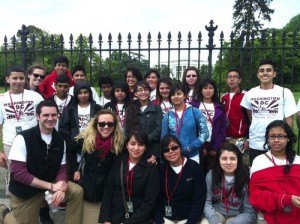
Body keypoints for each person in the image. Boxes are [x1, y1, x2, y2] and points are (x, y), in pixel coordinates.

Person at [7, 100, 83, 224]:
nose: (50, 118)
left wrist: (61, 187)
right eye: (46, 115)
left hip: (50, 183)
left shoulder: (60, 139)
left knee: (77, 192)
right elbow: (19, 173)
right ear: (37, 116)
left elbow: (62, 168)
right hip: (26, 191)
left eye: (54, 115)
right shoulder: (23, 138)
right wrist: (52, 186)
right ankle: (4, 213)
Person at [240, 59, 297, 165]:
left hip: (277, 142)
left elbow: (289, 119)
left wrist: (285, 138)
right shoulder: (250, 93)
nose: (265, 73)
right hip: (256, 142)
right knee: (257, 173)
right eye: (261, 71)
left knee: (277, 175)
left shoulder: (284, 92)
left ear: (274, 74)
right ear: (258, 74)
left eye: (268, 70)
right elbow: (250, 117)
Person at [73, 109, 124, 224]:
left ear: (115, 125)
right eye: (102, 124)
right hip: (87, 192)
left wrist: (150, 158)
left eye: (110, 124)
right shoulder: (85, 140)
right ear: (96, 124)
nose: (106, 127)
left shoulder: (120, 143)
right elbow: (69, 151)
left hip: (108, 195)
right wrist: (74, 169)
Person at [99, 131, 160, 224]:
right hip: (115, 217)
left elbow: (149, 201)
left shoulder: (151, 167)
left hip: (139, 219)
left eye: (140, 145)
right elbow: (108, 192)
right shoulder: (117, 163)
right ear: (127, 145)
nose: (136, 148)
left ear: (146, 147)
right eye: (132, 144)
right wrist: (106, 220)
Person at [0, 66, 44, 195]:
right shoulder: (2, 99)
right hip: (10, 143)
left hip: (33, 141)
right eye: (15, 78)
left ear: (25, 79)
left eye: (21, 78)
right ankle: (14, 208)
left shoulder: (35, 97)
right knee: (13, 174)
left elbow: (45, 117)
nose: (18, 81)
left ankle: (39, 207)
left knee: (35, 172)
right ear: (7, 79)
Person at [250, 120, 300, 224]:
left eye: (281, 136)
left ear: (288, 138)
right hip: (269, 215)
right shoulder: (259, 161)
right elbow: (255, 195)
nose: (276, 140)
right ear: (267, 139)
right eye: (272, 136)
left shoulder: (298, 161)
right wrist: (286, 199)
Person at [153, 135, 206, 224]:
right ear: (163, 154)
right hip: (165, 219)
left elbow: (199, 199)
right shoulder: (160, 170)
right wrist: (160, 220)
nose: (171, 152)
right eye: (166, 150)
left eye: (174, 148)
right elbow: (154, 198)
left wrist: (191, 221)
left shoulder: (194, 167)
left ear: (180, 148)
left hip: (188, 219)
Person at [201, 142, 257, 224]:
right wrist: (214, 220)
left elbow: (249, 211)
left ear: (238, 160)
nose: (228, 162)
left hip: (238, 216)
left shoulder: (246, 177)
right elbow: (206, 201)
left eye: (232, 159)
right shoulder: (211, 175)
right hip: (216, 213)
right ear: (218, 160)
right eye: (224, 158)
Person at [59, 81, 101, 180]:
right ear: (76, 94)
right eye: (80, 93)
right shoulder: (70, 109)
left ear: (90, 93)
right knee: (76, 174)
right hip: (74, 146)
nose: (83, 95)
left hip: (92, 145)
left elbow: (102, 126)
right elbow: (63, 127)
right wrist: (71, 140)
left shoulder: (97, 108)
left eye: (85, 92)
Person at [161, 84, 209, 164]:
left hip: (192, 155)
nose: (176, 96)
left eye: (179, 94)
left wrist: (191, 147)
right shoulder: (168, 115)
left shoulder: (195, 112)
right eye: (173, 95)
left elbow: (205, 133)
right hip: (173, 156)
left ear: (185, 96)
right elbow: (164, 137)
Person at [191, 78, 226, 174]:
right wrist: (201, 147)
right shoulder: (193, 105)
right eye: (205, 88)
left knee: (212, 173)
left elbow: (222, 129)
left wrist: (216, 147)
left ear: (214, 90)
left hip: (213, 144)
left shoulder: (219, 107)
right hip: (198, 144)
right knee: (197, 172)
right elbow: (191, 127)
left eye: (211, 88)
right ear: (201, 90)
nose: (208, 90)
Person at [125, 81, 163, 161]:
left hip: (152, 150)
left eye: (146, 90)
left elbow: (158, 130)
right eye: (140, 90)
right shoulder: (130, 109)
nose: (143, 92)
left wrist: (143, 140)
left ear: (149, 92)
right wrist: (135, 143)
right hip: (134, 150)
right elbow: (127, 130)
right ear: (136, 93)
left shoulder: (157, 108)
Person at [221, 69, 250, 163]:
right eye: (229, 77)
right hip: (225, 138)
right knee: (228, 164)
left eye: (235, 77)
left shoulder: (245, 95)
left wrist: (248, 139)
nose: (232, 79)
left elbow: (250, 119)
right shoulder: (224, 97)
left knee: (241, 165)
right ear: (226, 80)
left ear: (239, 80)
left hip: (240, 138)